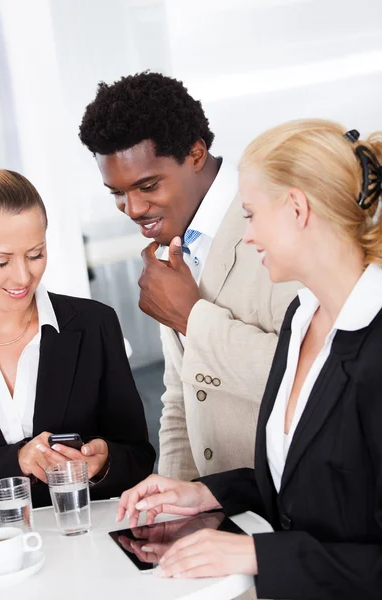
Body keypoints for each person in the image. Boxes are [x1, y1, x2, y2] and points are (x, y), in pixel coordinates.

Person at [116, 119, 382, 599]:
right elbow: (307, 479)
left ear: (297, 209)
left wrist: (259, 554)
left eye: (252, 215)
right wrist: (207, 493)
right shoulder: (303, 317)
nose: (249, 235)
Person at [79, 72, 297, 481]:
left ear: (196, 154)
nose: (132, 208)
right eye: (116, 193)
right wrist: (173, 504)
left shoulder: (280, 223)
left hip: (297, 512)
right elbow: (183, 396)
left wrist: (190, 317)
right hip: (220, 512)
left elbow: (317, 380)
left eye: (147, 185)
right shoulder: (173, 242)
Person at [0, 165, 155, 515]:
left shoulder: (95, 325)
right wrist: (15, 461)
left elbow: (138, 457)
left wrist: (104, 463)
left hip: (87, 550)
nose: (23, 276)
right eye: (0, 261)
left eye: (35, 254)